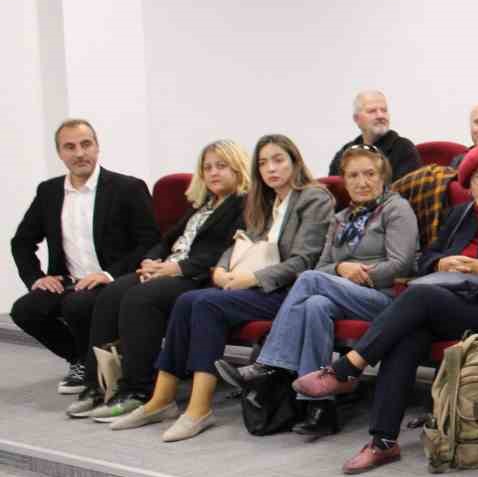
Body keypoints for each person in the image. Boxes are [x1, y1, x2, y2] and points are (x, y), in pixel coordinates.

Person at [295, 145, 478, 473]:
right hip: (446, 303)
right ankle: (383, 440)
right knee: (407, 335)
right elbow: (425, 258)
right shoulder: (459, 216)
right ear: (468, 185)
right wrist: (442, 261)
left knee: (415, 298)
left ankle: (346, 369)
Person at [134, 135, 335, 440]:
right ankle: (161, 399)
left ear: (295, 162)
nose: (271, 169)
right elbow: (242, 240)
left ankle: (199, 409)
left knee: (205, 305)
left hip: (288, 291)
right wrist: (221, 269)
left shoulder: (314, 198)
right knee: (187, 300)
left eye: (278, 160)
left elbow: (305, 260)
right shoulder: (265, 200)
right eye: (264, 163)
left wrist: (253, 279)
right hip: (254, 286)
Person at [220, 145, 419, 437]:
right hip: (340, 293)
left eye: (369, 174)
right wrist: (340, 271)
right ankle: (319, 407)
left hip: (385, 298)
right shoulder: (341, 218)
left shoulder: (396, 208)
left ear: (383, 177)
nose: (361, 182)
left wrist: (358, 274)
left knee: (312, 282)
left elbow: (403, 264)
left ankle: (270, 365)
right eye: (353, 176)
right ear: (344, 180)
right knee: (314, 305)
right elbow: (323, 265)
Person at [83, 140, 249, 425]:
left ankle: (140, 390)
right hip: (168, 268)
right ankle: (97, 385)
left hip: (198, 276)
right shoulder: (203, 204)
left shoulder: (243, 204)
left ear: (238, 168)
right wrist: (151, 261)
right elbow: (169, 239)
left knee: (140, 298)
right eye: (207, 167)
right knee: (112, 293)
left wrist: (176, 267)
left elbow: (226, 250)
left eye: (221, 166)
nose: (213, 173)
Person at [11, 119, 157, 397]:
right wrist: (37, 277)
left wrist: (109, 275)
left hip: (114, 279)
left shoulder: (128, 188)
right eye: (70, 147)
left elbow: (149, 242)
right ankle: (79, 359)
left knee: (77, 306)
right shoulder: (49, 191)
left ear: (97, 147)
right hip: (69, 281)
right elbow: (21, 241)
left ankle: (96, 366)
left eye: (86, 144)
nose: (79, 153)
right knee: (25, 310)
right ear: (60, 154)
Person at [328, 90, 421, 180]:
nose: (380, 116)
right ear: (356, 119)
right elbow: (333, 190)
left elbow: (406, 191)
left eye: (384, 110)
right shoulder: (345, 152)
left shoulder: (403, 148)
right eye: (372, 111)